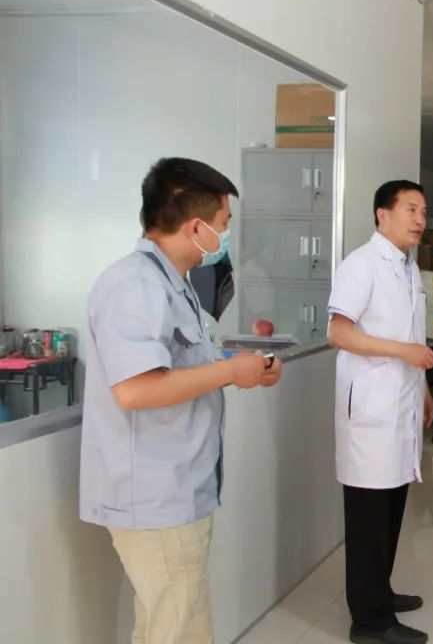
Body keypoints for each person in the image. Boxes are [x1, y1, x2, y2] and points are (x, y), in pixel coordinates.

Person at [79, 157, 283, 644]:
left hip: (179, 487)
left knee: (164, 627)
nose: (225, 236)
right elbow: (134, 389)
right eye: (223, 224)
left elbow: (179, 369)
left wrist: (242, 368)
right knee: (181, 632)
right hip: (154, 494)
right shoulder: (135, 284)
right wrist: (230, 371)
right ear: (196, 227)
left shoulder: (173, 284)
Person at [327, 180, 433, 644]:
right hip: (371, 412)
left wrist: (425, 391)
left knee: (392, 509)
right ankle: (369, 621)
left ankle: (380, 592)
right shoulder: (361, 264)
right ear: (382, 214)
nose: (420, 219)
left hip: (402, 403)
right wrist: (403, 353)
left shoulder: (408, 268)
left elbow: (412, 338)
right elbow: (338, 332)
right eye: (411, 209)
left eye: (423, 211)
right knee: (369, 519)